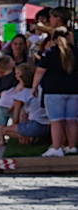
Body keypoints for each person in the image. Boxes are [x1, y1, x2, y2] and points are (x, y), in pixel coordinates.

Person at [31, 27, 78, 155]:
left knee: (56, 120)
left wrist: (34, 86)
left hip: (54, 91)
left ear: (54, 38)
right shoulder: (75, 51)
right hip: (74, 90)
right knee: (71, 120)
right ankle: (72, 146)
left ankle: (56, 148)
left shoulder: (50, 52)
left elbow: (40, 71)